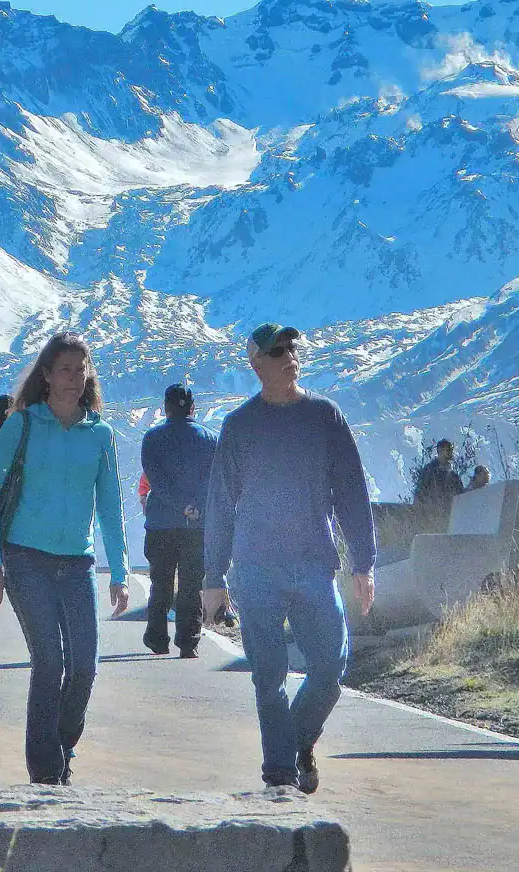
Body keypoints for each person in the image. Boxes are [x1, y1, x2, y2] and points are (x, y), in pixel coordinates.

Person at [202, 322, 376, 796]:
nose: (288, 355)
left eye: (292, 348)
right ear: (256, 364)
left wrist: (364, 561)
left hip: (314, 565)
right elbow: (220, 503)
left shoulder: (326, 417)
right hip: (254, 568)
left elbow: (352, 493)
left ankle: (296, 745)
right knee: (269, 675)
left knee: (330, 667)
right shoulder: (239, 425)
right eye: (277, 351)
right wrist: (212, 576)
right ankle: (279, 775)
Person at [0, 332, 129, 786]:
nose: (75, 378)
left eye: (82, 370)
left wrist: (119, 573)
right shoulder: (21, 426)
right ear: (45, 374)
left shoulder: (100, 434)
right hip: (26, 560)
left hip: (76, 564)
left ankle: (61, 747)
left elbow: (111, 507)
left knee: (85, 667)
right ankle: (45, 775)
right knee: (49, 662)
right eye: (65, 369)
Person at [139, 384, 218, 658]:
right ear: (193, 407)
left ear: (166, 407)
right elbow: (212, 481)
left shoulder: (152, 438)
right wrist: (194, 506)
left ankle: (157, 639)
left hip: (161, 523)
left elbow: (155, 481)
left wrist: (180, 505)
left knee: (160, 582)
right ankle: (188, 642)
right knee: (191, 584)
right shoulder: (211, 439)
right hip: (197, 525)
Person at [413, 439, 463, 520]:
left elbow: (460, 495)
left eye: (451, 450)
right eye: (448, 449)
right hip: (429, 514)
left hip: (448, 515)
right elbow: (420, 492)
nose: (451, 452)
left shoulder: (454, 475)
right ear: (440, 450)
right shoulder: (429, 470)